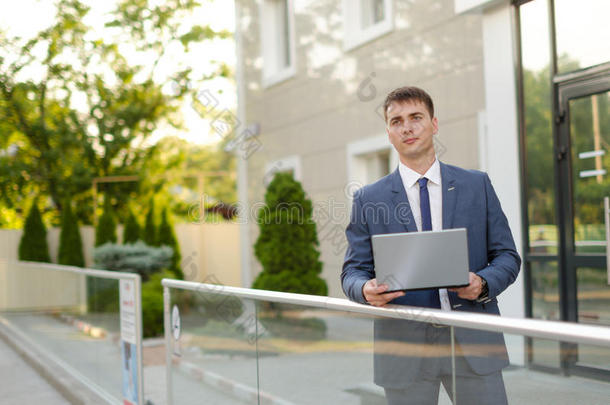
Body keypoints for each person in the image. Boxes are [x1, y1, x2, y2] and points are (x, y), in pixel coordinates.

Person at [341, 86, 521, 404]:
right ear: (388, 132)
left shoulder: (476, 185)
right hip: (403, 346)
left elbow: (506, 255)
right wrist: (364, 289)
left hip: (472, 340)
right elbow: (353, 271)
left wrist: (483, 283)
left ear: (434, 124)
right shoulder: (368, 198)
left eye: (416, 117)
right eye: (396, 121)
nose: (407, 127)